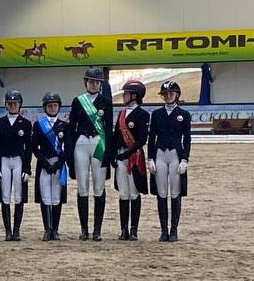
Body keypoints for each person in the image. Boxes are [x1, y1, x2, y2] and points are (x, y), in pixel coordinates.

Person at [69, 66, 113, 241]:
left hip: (98, 144)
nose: (94, 84)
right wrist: (69, 152)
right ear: (86, 82)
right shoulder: (77, 101)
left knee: (98, 187)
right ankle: (84, 229)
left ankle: (97, 230)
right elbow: (72, 127)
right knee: (82, 186)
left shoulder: (106, 101)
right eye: (91, 81)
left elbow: (108, 128)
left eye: (97, 82)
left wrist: (108, 151)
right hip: (81, 144)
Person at [148, 80, 191, 242]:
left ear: (177, 94)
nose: (168, 96)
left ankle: (174, 230)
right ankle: (163, 230)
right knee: (161, 192)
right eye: (165, 94)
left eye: (171, 93)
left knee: (175, 192)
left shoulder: (183, 114)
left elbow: (187, 139)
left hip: (175, 155)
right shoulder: (156, 114)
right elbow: (152, 137)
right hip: (160, 154)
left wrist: (185, 159)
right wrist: (150, 158)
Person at [108, 78, 149, 241]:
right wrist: (112, 155)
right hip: (120, 155)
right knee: (123, 193)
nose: (123, 96)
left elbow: (142, 139)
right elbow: (116, 136)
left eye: (126, 93)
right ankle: (123, 228)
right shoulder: (121, 114)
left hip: (134, 157)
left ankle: (134, 229)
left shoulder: (143, 115)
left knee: (134, 192)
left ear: (135, 95)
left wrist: (128, 153)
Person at [31, 91, 71, 241]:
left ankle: (55, 229)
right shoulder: (38, 125)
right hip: (44, 164)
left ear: (59, 107)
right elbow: (34, 146)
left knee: (56, 197)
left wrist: (59, 164)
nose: (52, 108)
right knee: (45, 196)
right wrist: (44, 162)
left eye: (55, 105)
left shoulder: (64, 126)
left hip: (58, 165)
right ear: (45, 107)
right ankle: (47, 229)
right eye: (50, 106)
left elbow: (68, 148)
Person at [0, 89, 32, 241]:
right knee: (5, 196)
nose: (13, 106)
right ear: (6, 105)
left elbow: (28, 148)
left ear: (20, 105)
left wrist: (27, 168)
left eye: (15, 103)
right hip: (4, 160)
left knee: (18, 196)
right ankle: (7, 231)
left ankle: (16, 230)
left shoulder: (26, 124)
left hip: (18, 161)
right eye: (10, 103)